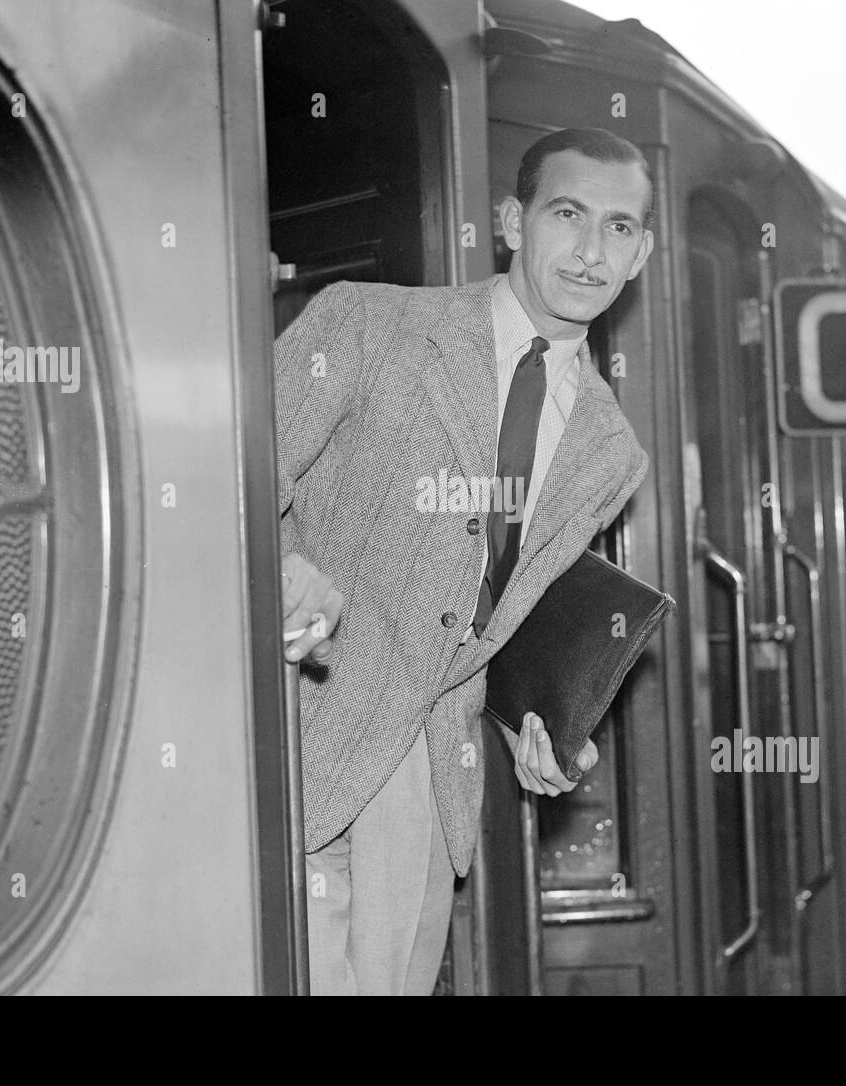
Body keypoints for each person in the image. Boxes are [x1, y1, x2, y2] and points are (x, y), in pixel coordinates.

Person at [273, 127, 654, 995]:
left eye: (621, 228)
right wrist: (288, 568)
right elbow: (223, 473)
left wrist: (547, 725)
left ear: (642, 254)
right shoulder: (368, 324)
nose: (593, 252)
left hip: (428, 789)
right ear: (513, 222)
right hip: (296, 732)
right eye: (569, 214)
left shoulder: (611, 450)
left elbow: (493, 605)